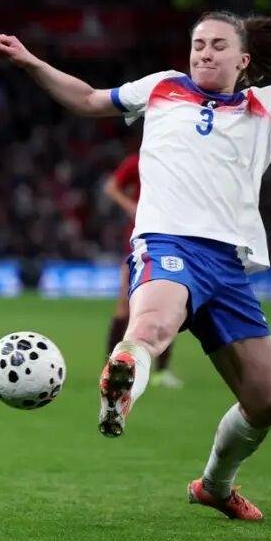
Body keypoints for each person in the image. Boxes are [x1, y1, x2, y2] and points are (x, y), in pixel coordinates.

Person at [0, 3, 271, 520]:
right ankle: (123, 381)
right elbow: (89, 99)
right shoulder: (162, 87)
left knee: (266, 404)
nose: (205, 53)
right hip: (167, 244)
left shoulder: (269, 105)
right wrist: (31, 62)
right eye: (198, 45)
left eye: (218, 45)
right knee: (150, 328)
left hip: (229, 266)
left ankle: (215, 486)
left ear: (243, 60)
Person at [102, 152, 182, 388]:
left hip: (172, 239)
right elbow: (111, 187)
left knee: (170, 306)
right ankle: (111, 368)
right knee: (125, 305)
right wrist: (130, 206)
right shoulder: (139, 160)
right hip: (141, 241)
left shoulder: (179, 160)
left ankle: (161, 372)